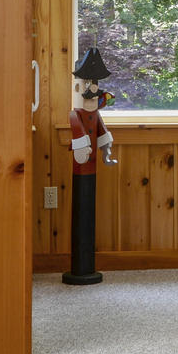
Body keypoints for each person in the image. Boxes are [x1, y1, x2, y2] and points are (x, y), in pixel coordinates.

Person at [66, 48, 116, 285]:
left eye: (95, 84)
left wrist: (106, 150)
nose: (92, 90)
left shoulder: (96, 114)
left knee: (89, 210)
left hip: (92, 165)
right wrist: (82, 148)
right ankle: (80, 267)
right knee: (81, 210)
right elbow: (78, 132)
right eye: (88, 83)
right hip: (81, 166)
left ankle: (87, 266)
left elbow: (102, 132)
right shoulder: (75, 114)